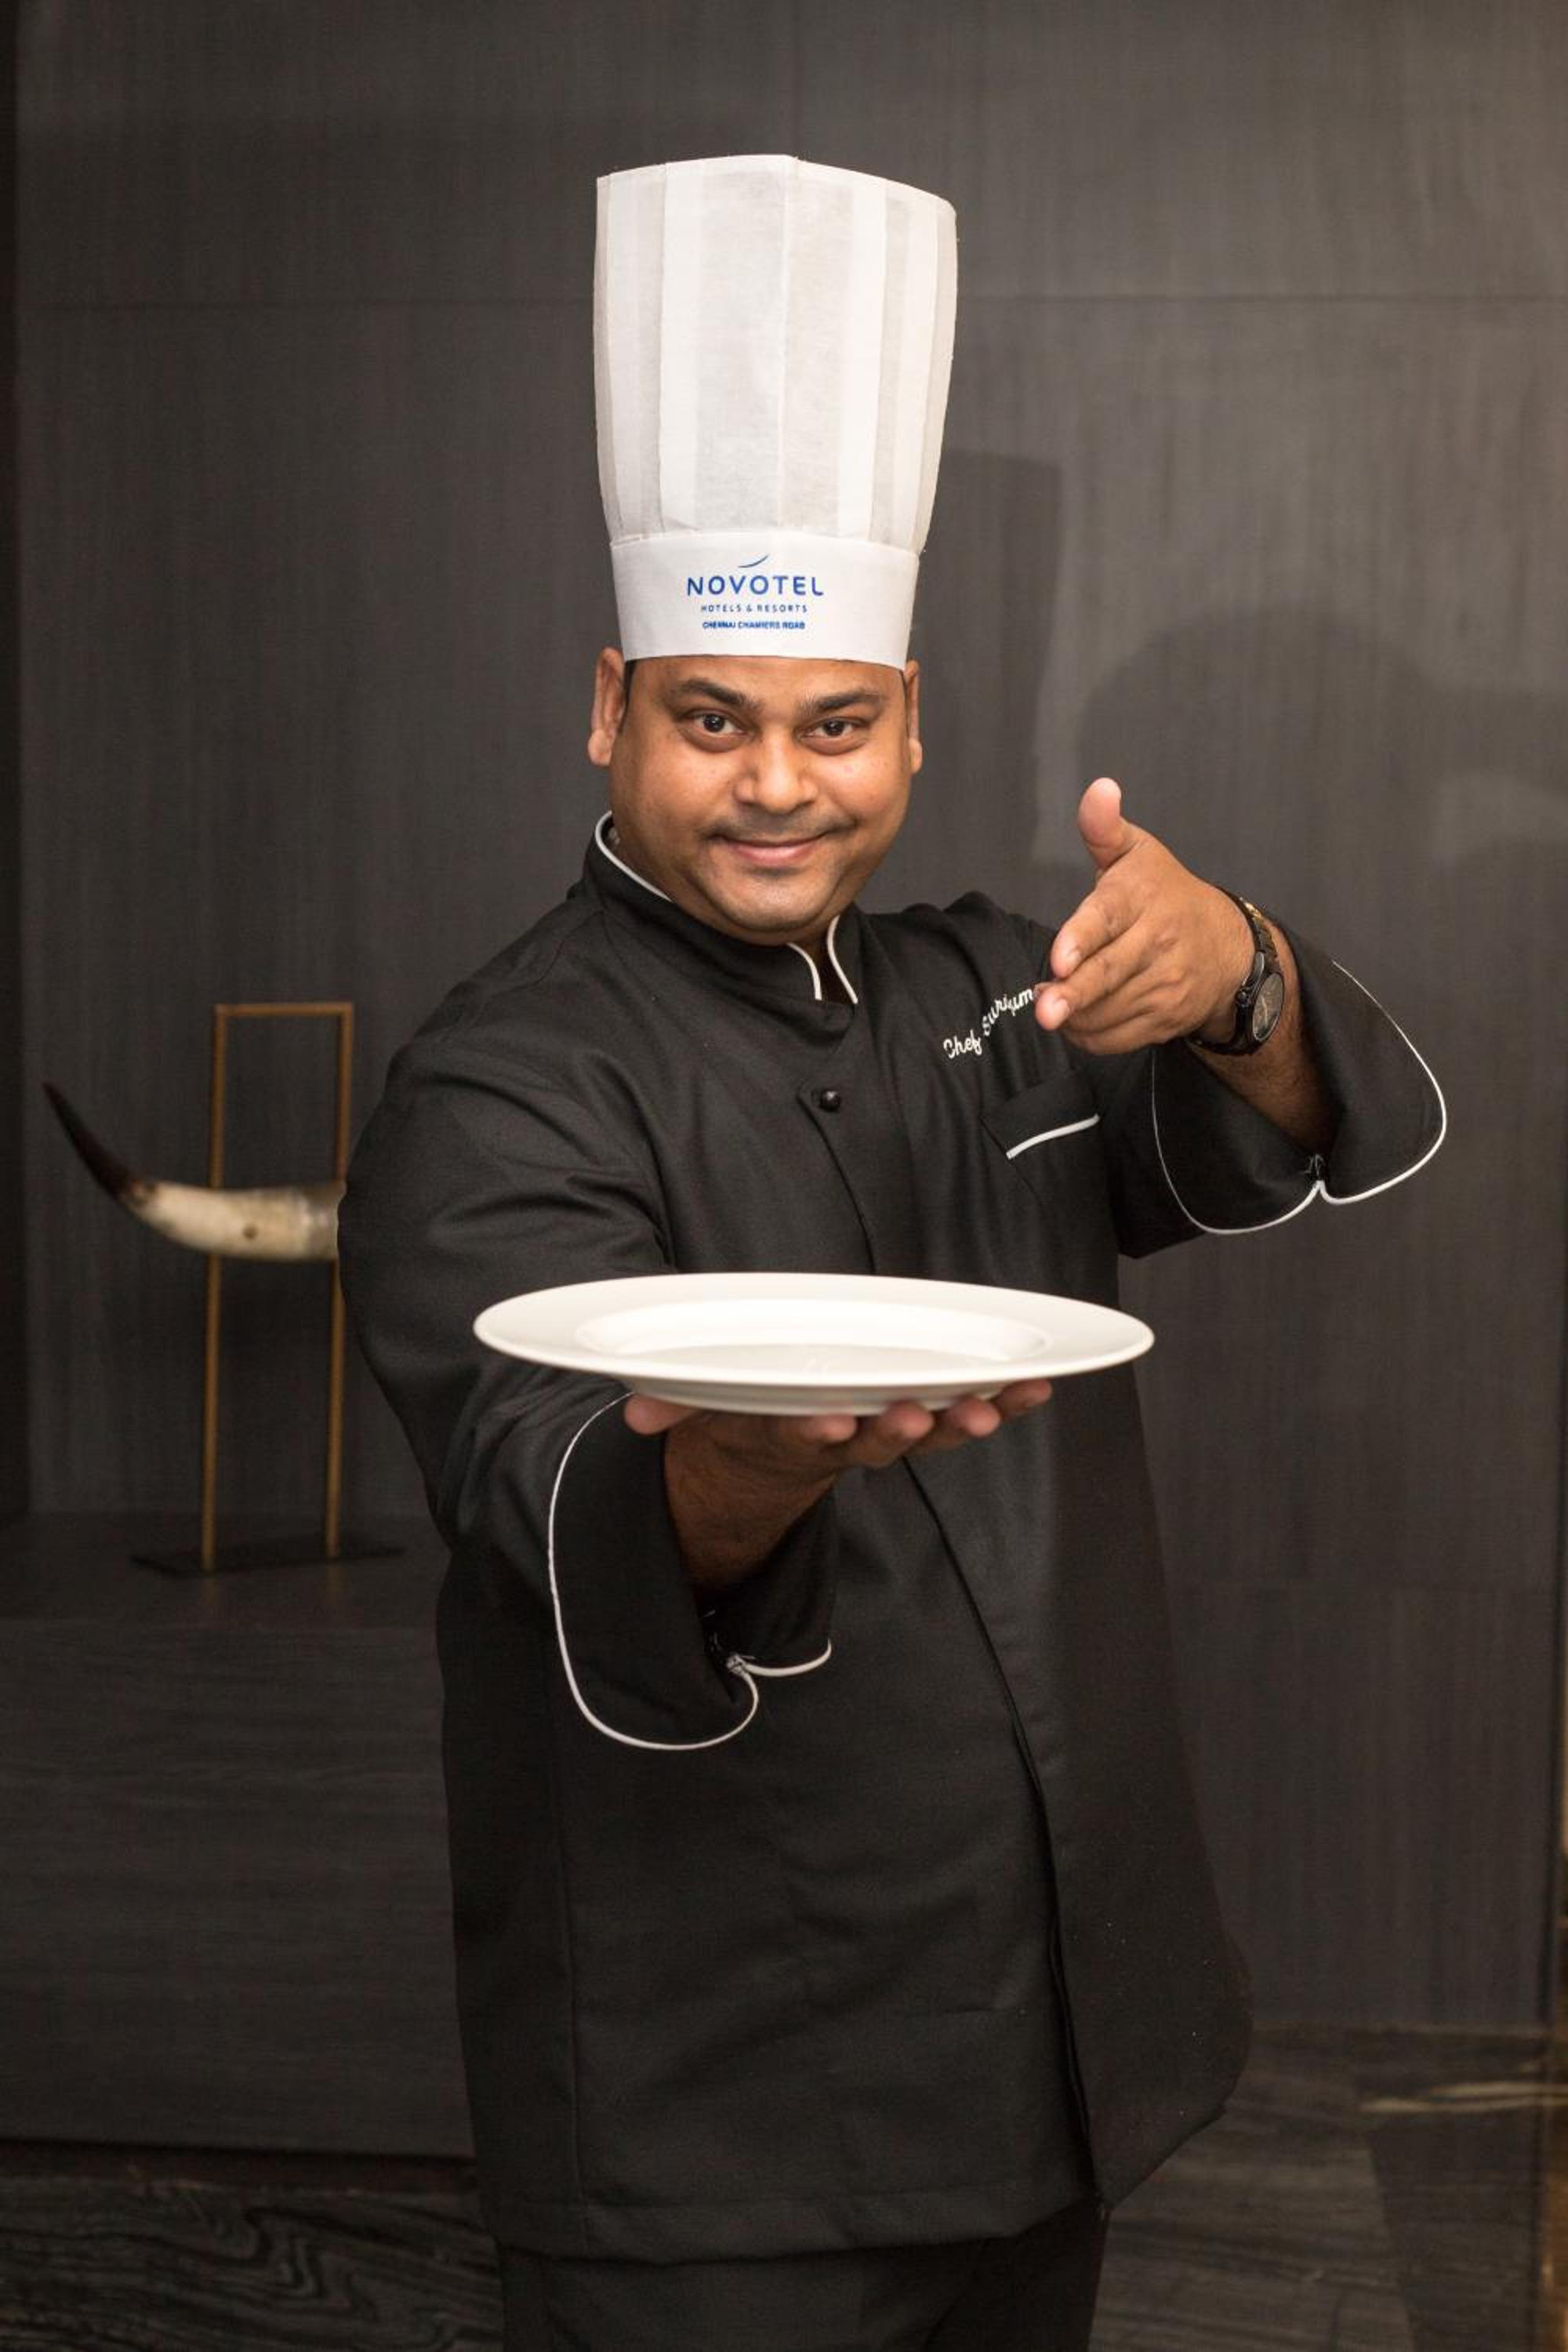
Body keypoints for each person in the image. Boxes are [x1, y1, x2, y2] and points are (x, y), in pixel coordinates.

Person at [336, 158, 1444, 2352]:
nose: (779, 786)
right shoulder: (500, 1086)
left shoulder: (1001, 988)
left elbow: (1296, 1126)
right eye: (712, 720)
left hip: (1054, 2046)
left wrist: (1236, 975)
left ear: (912, 723)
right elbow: (547, 1512)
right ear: (609, 707)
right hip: (727, 2122)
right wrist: (763, 1453)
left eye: (834, 725)